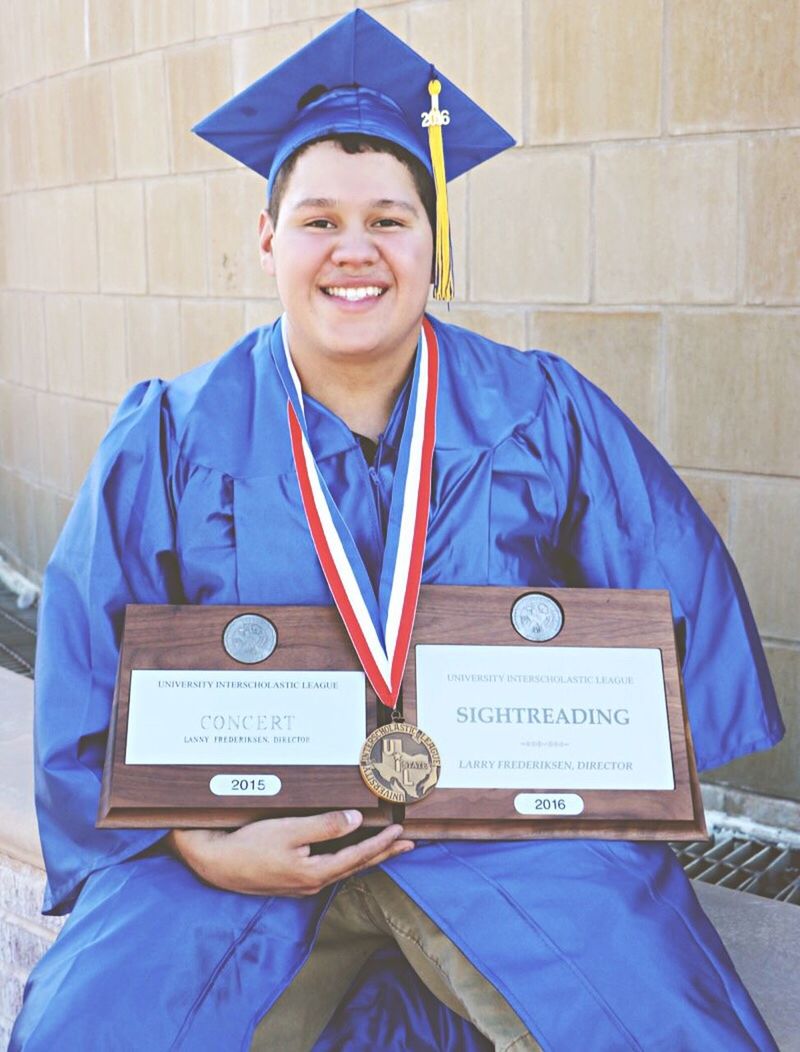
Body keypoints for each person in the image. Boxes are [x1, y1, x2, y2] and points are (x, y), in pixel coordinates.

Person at [11, 10, 784, 1051]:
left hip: (501, 842)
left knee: (646, 1017)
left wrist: (579, 771)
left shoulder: (538, 411)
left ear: (434, 239)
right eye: (318, 219)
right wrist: (193, 840)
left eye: (388, 218)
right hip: (248, 843)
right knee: (92, 1024)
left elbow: (673, 622)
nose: (354, 250)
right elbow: (84, 670)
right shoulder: (170, 433)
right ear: (266, 237)